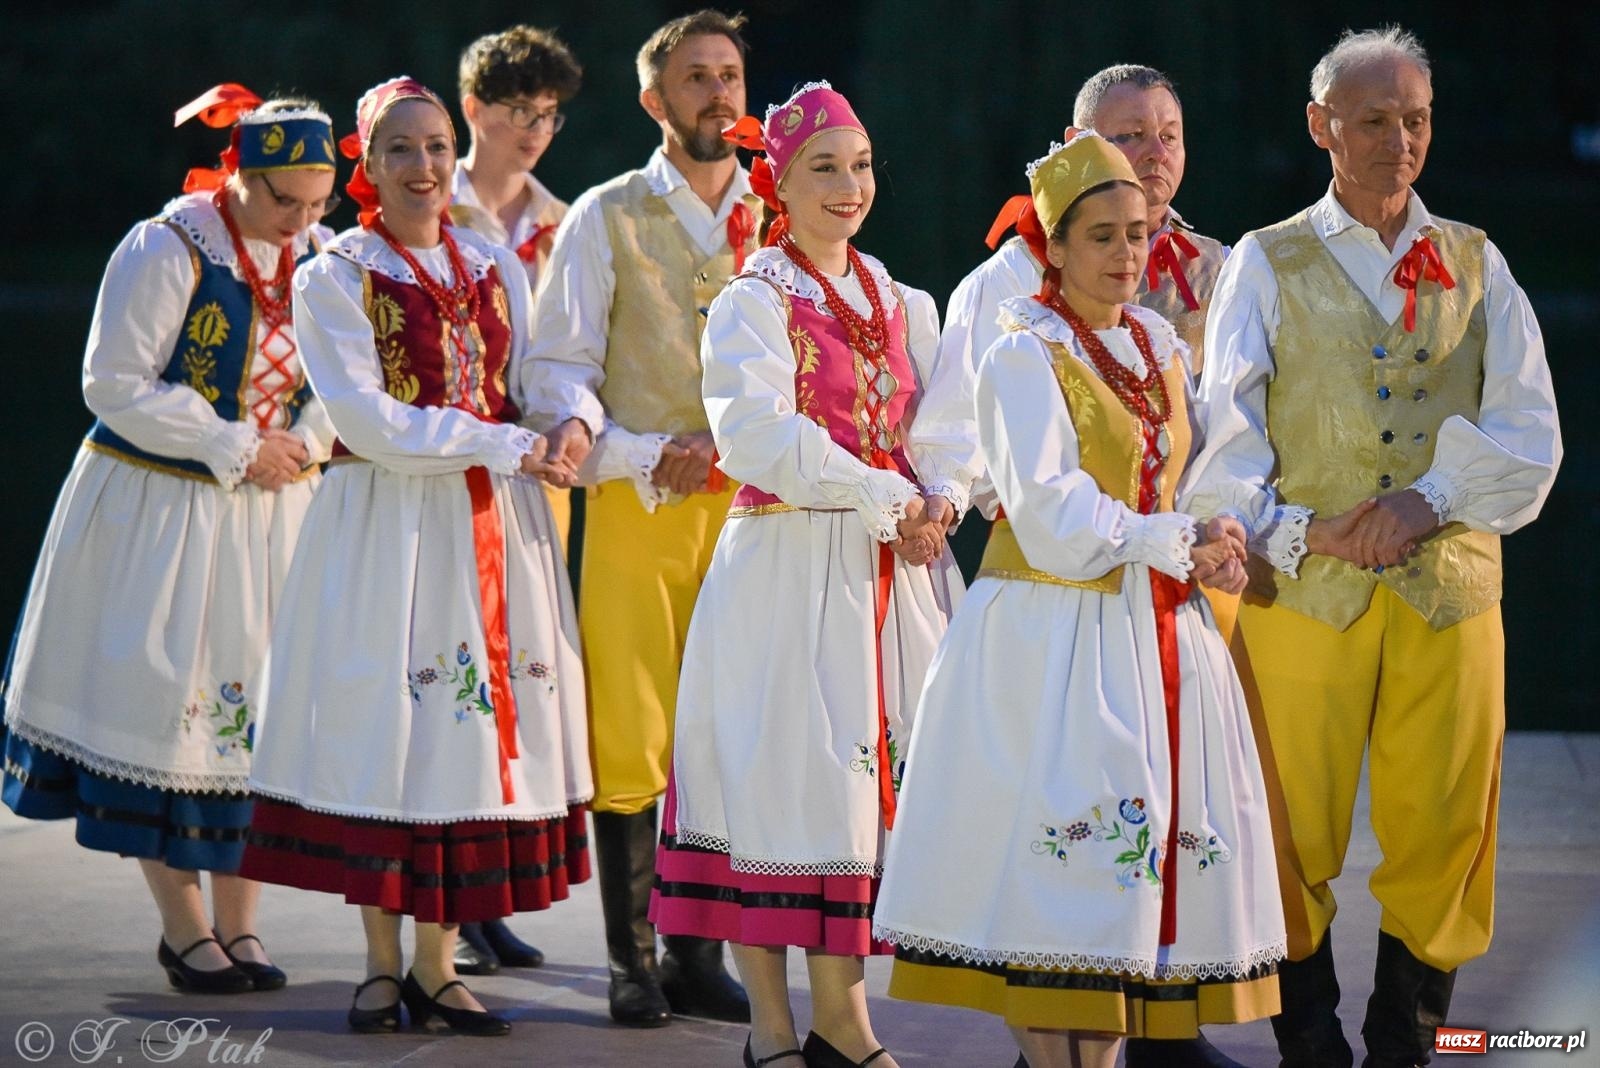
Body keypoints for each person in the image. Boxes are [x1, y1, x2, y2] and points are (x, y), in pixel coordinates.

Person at [1185, 26, 1561, 1068]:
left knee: (1445, 825)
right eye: (1373, 120)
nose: (1400, 140)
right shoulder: (1265, 259)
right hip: (1302, 589)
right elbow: (1225, 440)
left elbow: (1531, 434)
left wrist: (1429, 501)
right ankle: (1308, 1041)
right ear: (1321, 128)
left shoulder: (1479, 262)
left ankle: (1406, 1037)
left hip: (1451, 591)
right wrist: (1295, 530)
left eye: (1416, 119)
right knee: (1287, 821)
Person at [872, 133, 1285, 1068]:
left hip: (1151, 630)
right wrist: (1169, 540)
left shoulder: (1158, 346)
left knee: (1116, 903)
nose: (1126, 255)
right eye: (1101, 235)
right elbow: (1051, 510)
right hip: (1052, 635)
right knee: (1052, 884)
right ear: (1052, 246)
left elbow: (1190, 478)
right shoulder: (1022, 349)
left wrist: (1214, 536)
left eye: (1137, 234)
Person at [238, 76, 592, 1039]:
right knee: (387, 730)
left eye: (437, 146)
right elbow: (364, 418)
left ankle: (439, 965)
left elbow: (538, 376)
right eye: (401, 148)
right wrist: (502, 442)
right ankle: (380, 964)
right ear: (367, 162)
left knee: (457, 736)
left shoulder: (493, 263)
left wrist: (566, 423)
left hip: (489, 522)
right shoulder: (335, 273)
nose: (426, 165)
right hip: (388, 523)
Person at [651, 81, 979, 1068]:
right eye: (824, 168)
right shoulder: (753, 301)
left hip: (885, 571)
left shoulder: (897, 297)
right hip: (788, 564)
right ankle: (779, 1025)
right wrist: (888, 496)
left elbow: (947, 424)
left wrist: (941, 500)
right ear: (778, 183)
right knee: (779, 789)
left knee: (854, 798)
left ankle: (836, 1021)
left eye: (861, 164)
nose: (849, 185)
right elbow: (753, 434)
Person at [0, 84, 338, 994]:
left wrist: (301, 442)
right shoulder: (168, 246)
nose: (302, 220)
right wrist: (233, 442)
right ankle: (184, 928)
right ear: (241, 175)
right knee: (165, 710)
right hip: (165, 506)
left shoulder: (322, 255)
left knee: (257, 720)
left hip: (273, 512)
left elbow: (342, 378)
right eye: (285, 202)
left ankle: (242, 924)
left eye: (318, 204)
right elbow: (112, 382)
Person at [525, 8, 756, 1028]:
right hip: (635, 504)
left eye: (731, 75)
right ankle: (632, 955)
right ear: (654, 100)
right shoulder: (605, 213)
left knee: (729, 727)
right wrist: (624, 447)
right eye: (696, 77)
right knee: (633, 729)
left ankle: (698, 952)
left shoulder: (786, 212)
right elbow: (557, 365)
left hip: (754, 512)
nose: (718, 94)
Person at [449, 21, 584, 978]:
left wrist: (576, 418)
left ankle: (485, 899)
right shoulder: (417, 198)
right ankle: (443, 905)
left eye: (548, 115)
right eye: (515, 112)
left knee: (518, 689)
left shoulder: (561, 223)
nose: (534, 131)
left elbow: (569, 357)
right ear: (473, 110)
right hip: (444, 470)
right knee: (454, 678)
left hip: (535, 477)